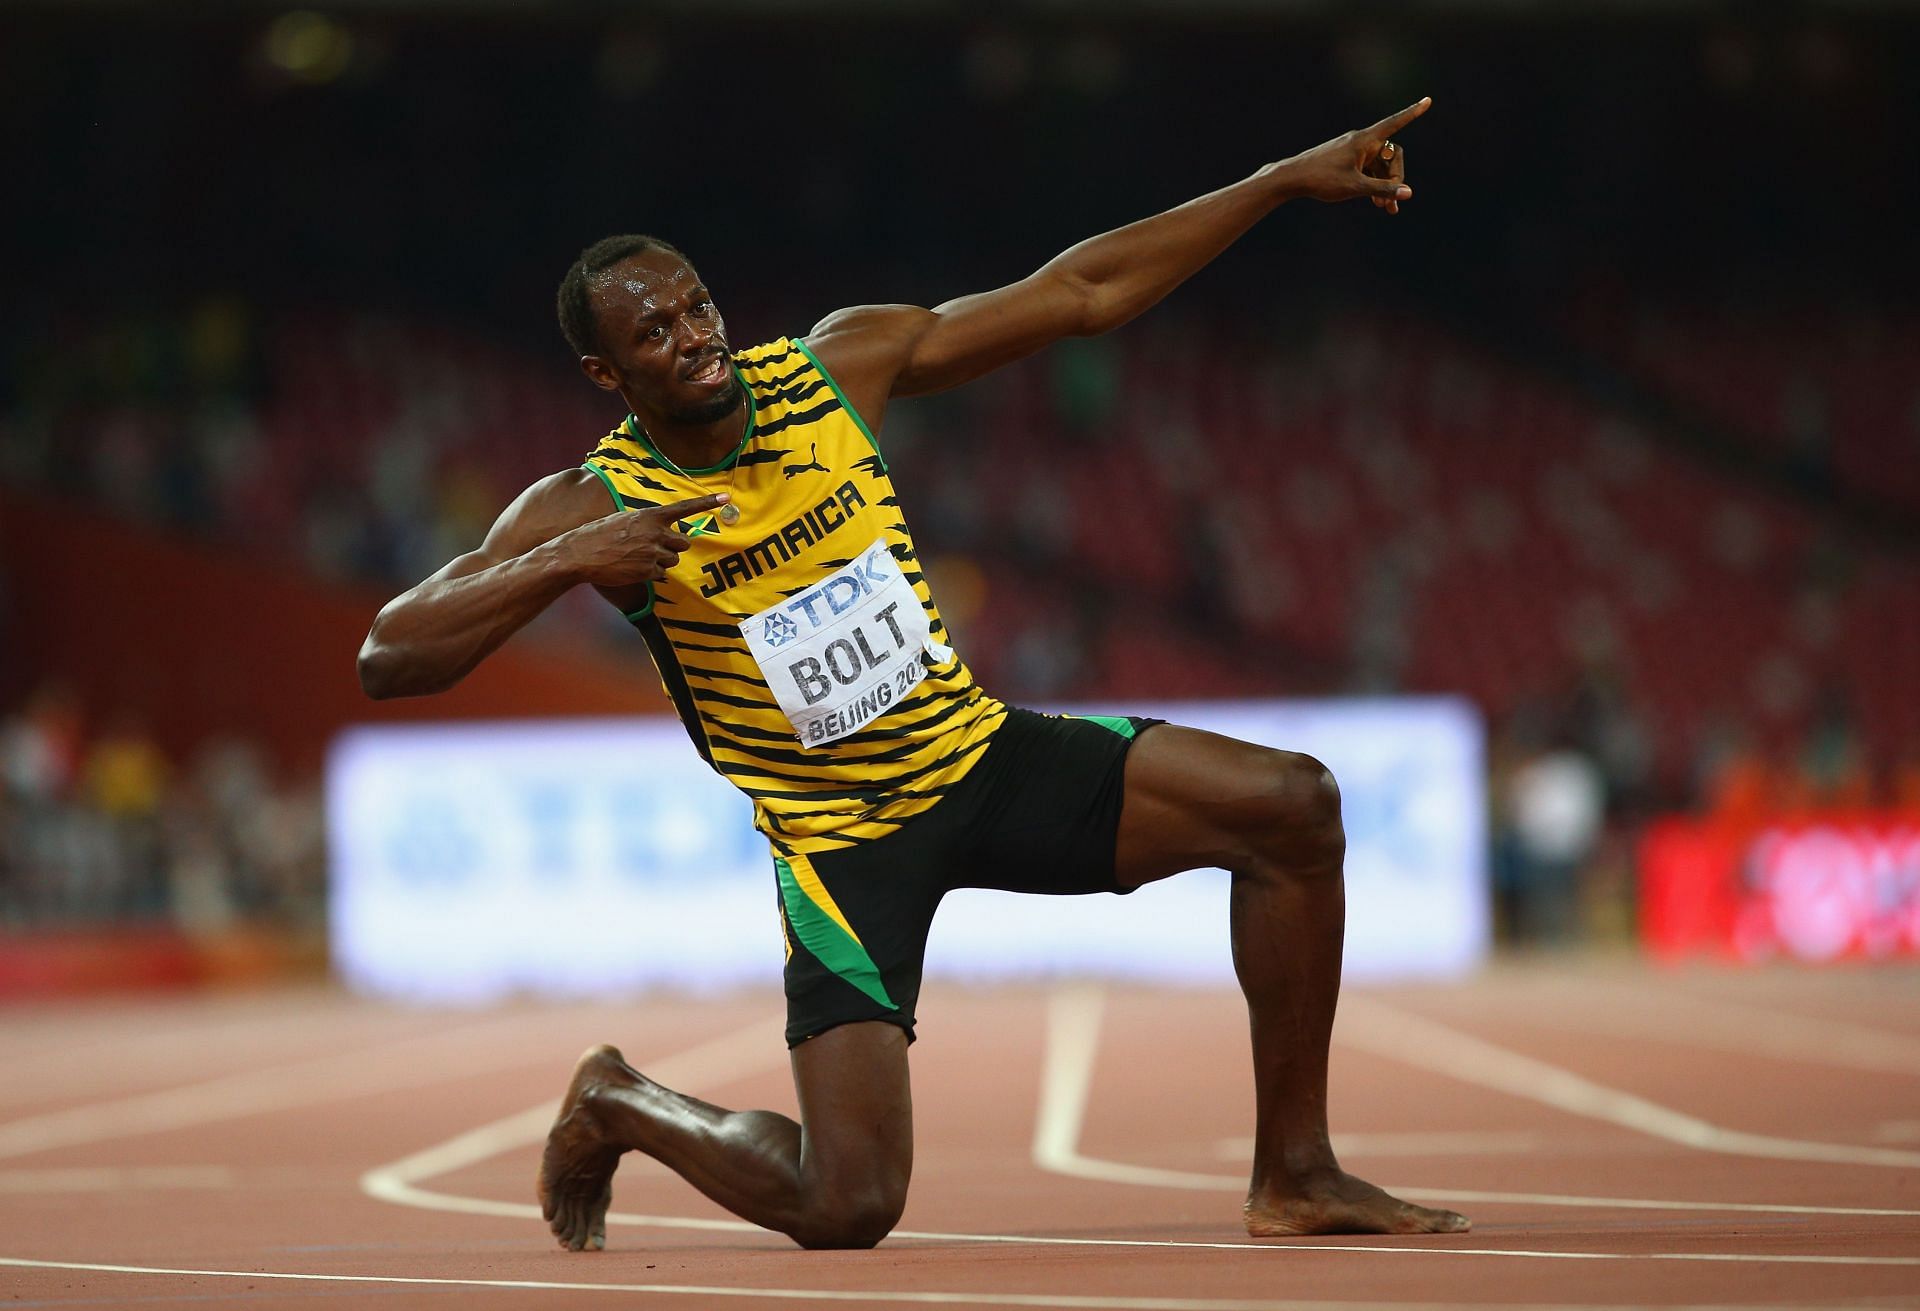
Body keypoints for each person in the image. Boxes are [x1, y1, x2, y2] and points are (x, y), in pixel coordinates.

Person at [357, 97, 1469, 1250]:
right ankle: (621, 1100)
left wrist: (1282, 178)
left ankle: (1295, 1171)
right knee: (850, 1205)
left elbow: (1081, 292)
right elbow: (391, 656)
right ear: (606, 372)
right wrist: (569, 558)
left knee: (1293, 806)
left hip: (981, 759)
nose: (695, 336)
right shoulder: (589, 502)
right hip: (845, 848)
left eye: (699, 306)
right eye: (655, 333)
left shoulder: (838, 367)